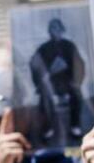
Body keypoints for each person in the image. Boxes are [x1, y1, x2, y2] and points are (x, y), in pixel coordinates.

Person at [23, 14, 88, 149]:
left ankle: (75, 126)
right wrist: (44, 76)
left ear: (62, 30)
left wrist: (76, 80)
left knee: (77, 95)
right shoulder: (43, 48)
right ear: (49, 31)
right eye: (53, 29)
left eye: (58, 29)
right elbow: (34, 63)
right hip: (50, 82)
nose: (55, 32)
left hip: (67, 81)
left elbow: (79, 63)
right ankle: (48, 128)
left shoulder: (69, 46)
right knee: (44, 98)